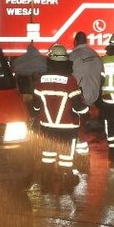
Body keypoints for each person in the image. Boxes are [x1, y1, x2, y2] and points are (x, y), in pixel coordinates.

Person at [31, 44, 88, 183]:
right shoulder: (70, 81)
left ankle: (47, 178)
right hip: (67, 128)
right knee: (66, 157)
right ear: (66, 61)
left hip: (47, 126)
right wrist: (86, 111)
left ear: (50, 61)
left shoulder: (40, 81)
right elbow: (78, 107)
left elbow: (35, 107)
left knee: (48, 154)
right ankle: (66, 179)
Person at [68, 31, 104, 155]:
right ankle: (82, 149)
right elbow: (102, 76)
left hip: (80, 96)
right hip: (93, 95)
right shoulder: (95, 55)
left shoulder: (73, 56)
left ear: (75, 42)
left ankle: (80, 151)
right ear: (86, 41)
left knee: (78, 124)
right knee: (83, 121)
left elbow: (69, 78)